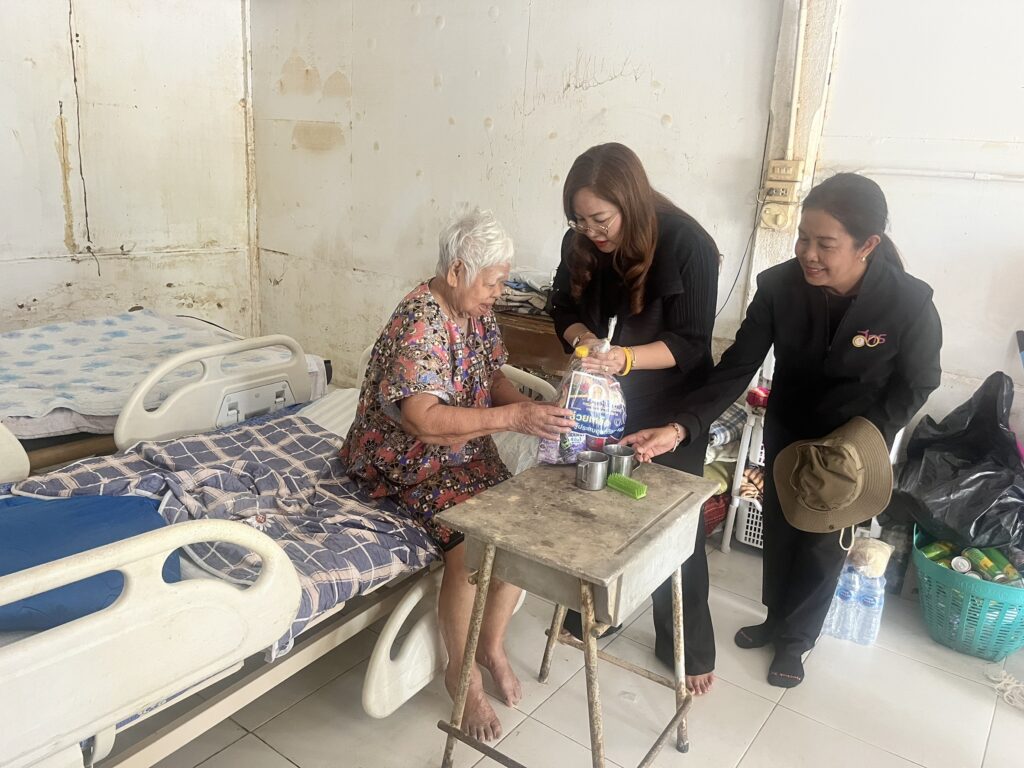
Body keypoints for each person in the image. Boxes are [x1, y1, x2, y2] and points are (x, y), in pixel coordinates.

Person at [621, 172, 942, 687]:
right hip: (790, 426)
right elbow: (736, 366)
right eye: (803, 237)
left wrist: (869, 436)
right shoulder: (779, 286)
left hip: (852, 442)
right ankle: (775, 619)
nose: (808, 253)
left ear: (867, 245)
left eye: (825, 244)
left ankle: (797, 641)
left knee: (822, 541)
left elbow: (920, 380)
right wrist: (681, 426)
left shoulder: (907, 301)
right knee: (781, 523)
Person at [341, 206, 575, 742]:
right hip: (406, 458)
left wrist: (538, 411)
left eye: (502, 282)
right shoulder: (420, 322)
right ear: (456, 271)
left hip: (461, 450)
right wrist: (515, 418)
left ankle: (489, 645)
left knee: (519, 522)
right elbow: (423, 421)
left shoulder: (475, 311)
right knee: (470, 542)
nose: (499, 292)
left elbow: (490, 377)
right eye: (493, 282)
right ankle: (461, 674)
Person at [548, 142, 720, 695]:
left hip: (670, 404)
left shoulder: (688, 244)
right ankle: (598, 611)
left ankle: (687, 645)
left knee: (673, 525)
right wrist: (585, 342)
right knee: (596, 508)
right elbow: (561, 308)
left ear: (631, 201)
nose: (591, 232)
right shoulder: (580, 242)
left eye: (601, 219)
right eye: (579, 220)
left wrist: (623, 358)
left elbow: (691, 343)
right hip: (600, 400)